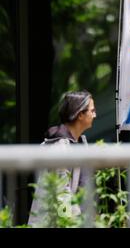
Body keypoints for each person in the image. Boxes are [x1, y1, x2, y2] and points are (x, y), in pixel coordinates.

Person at [28, 90, 96, 227]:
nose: (95, 115)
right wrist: (70, 223)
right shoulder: (58, 147)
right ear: (80, 115)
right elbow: (62, 194)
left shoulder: (80, 143)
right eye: (92, 110)